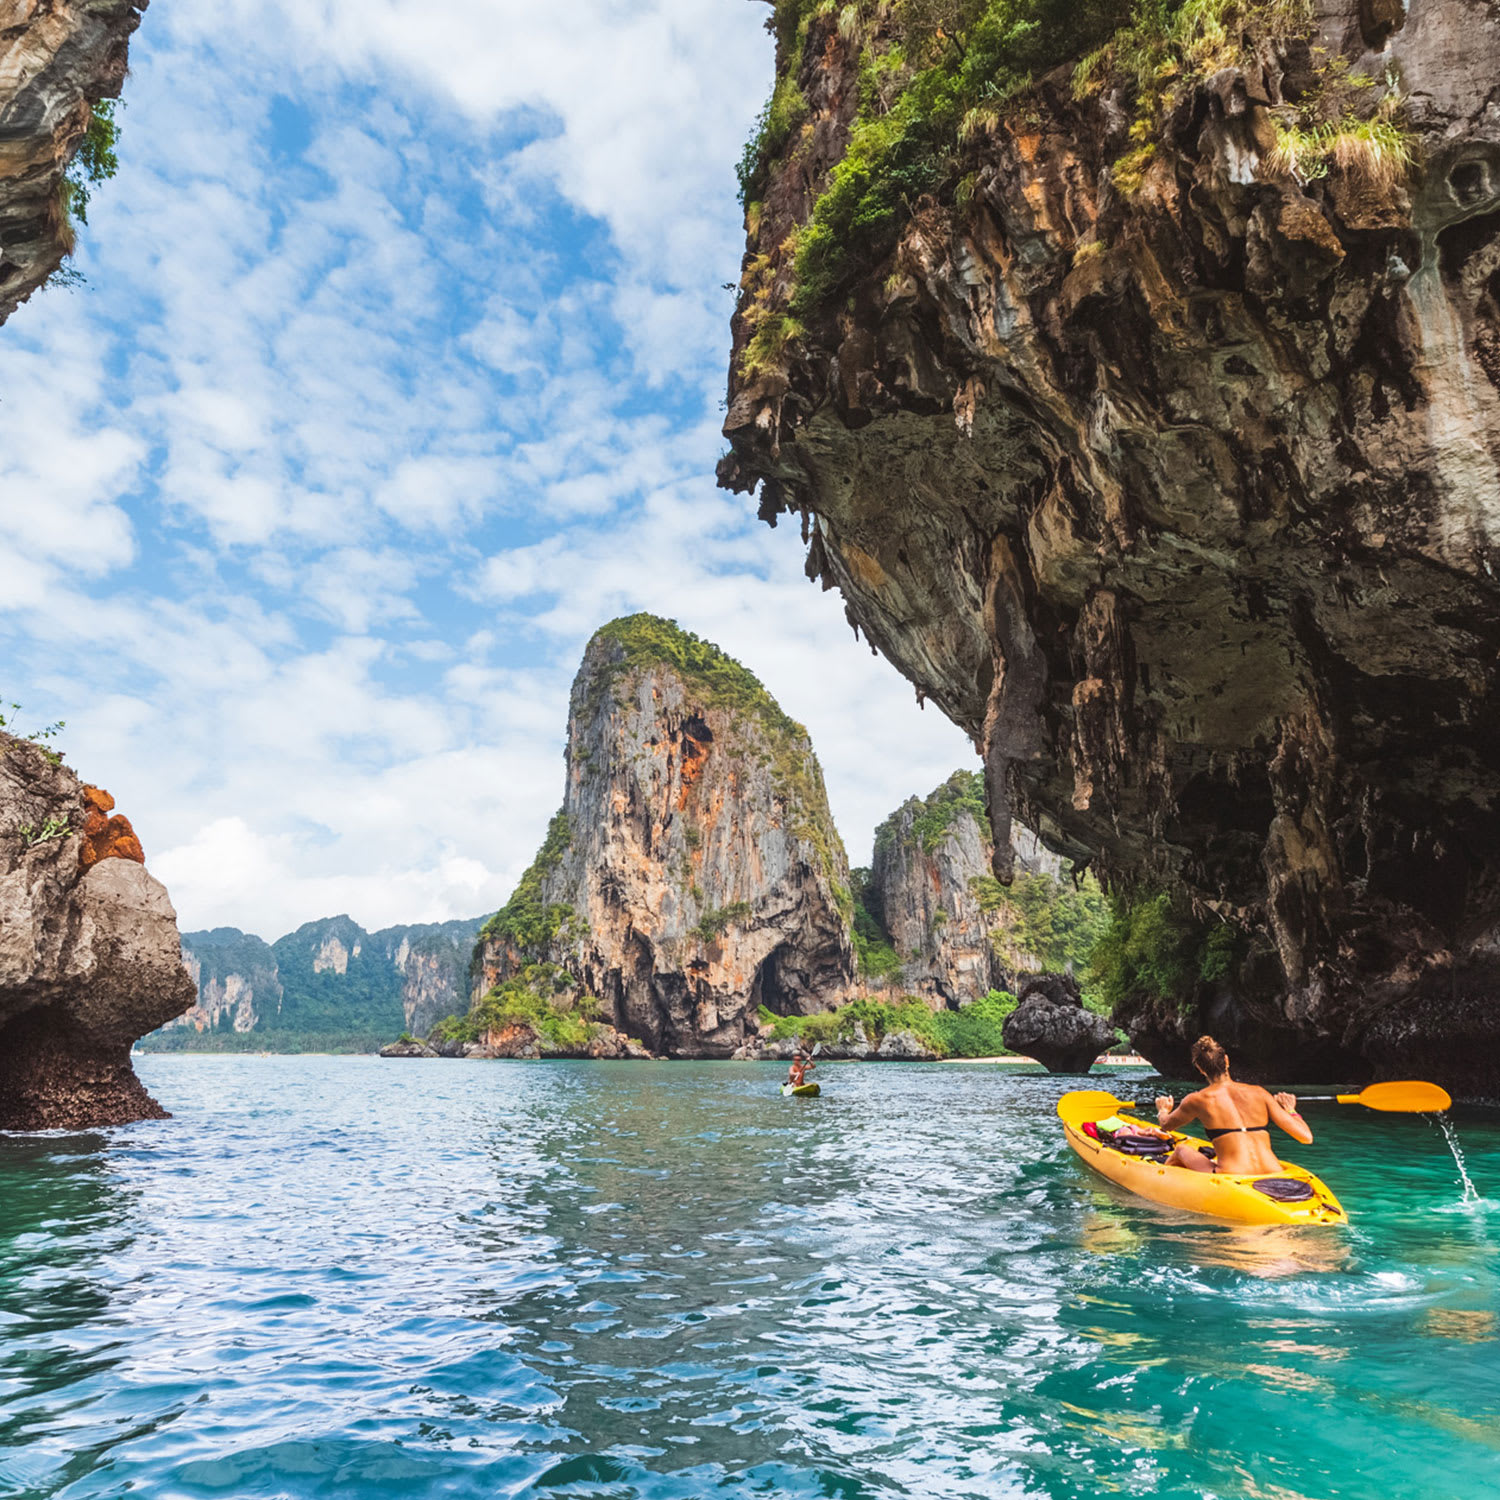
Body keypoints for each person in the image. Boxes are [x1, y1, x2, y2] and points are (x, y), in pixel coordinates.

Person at [1154, 1035, 1312, 1174]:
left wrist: (1163, 1110)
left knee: (1181, 1150)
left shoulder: (1197, 1100)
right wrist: (1290, 1109)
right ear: (1227, 1061)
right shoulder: (1260, 1093)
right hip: (1273, 1170)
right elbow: (1306, 1137)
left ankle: (1162, 1183)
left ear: (1200, 1069)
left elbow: (1166, 1125)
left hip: (1232, 1172)